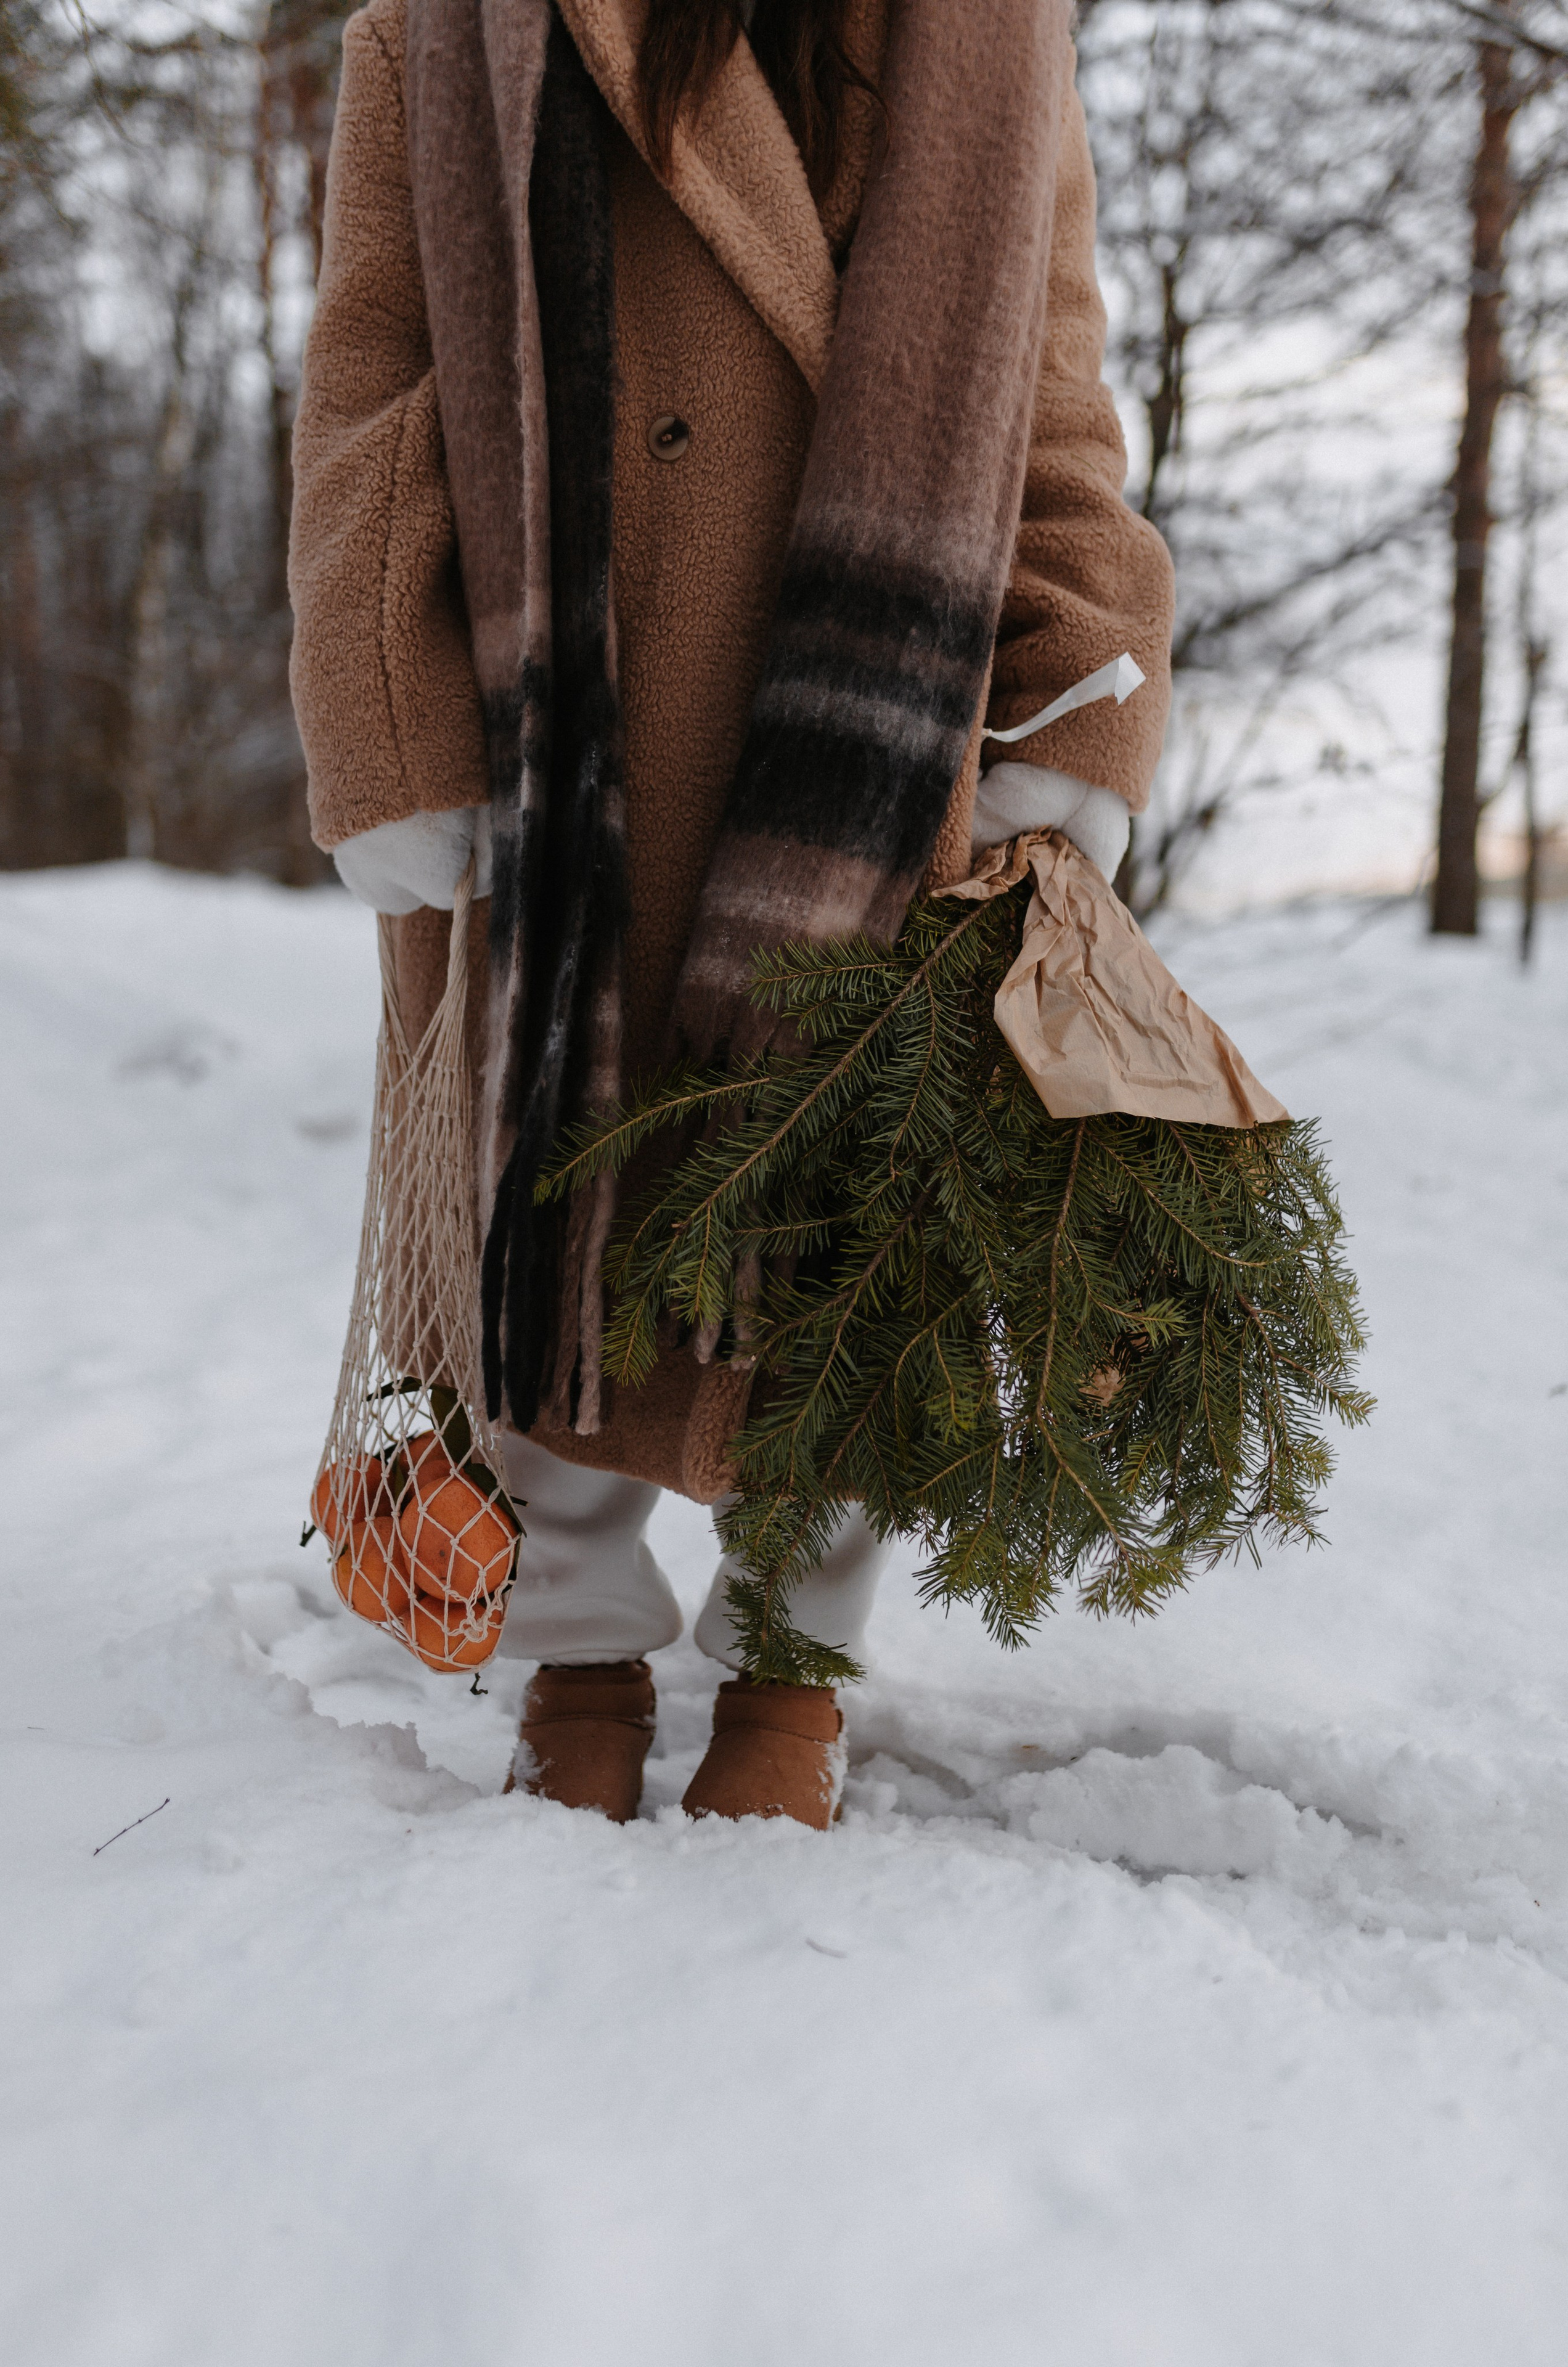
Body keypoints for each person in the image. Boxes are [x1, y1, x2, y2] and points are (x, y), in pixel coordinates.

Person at [288, 0, 1175, 1828]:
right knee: (553, 1184)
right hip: (568, 712)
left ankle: (791, 1666)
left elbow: (1054, 389)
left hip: (866, 702)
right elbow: (372, 396)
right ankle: (580, 1650)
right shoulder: (443, 38)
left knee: (844, 1189)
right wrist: (385, 717)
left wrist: (1085, 658)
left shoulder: (987, 47)